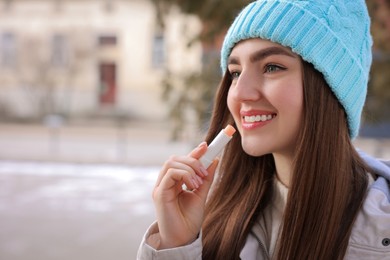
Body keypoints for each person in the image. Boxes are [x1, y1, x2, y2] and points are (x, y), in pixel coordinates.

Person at [137, 0, 390, 259]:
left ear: (331, 90)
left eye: (272, 67)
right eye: (235, 73)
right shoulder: (212, 217)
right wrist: (176, 245)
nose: (241, 92)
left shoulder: (382, 227)